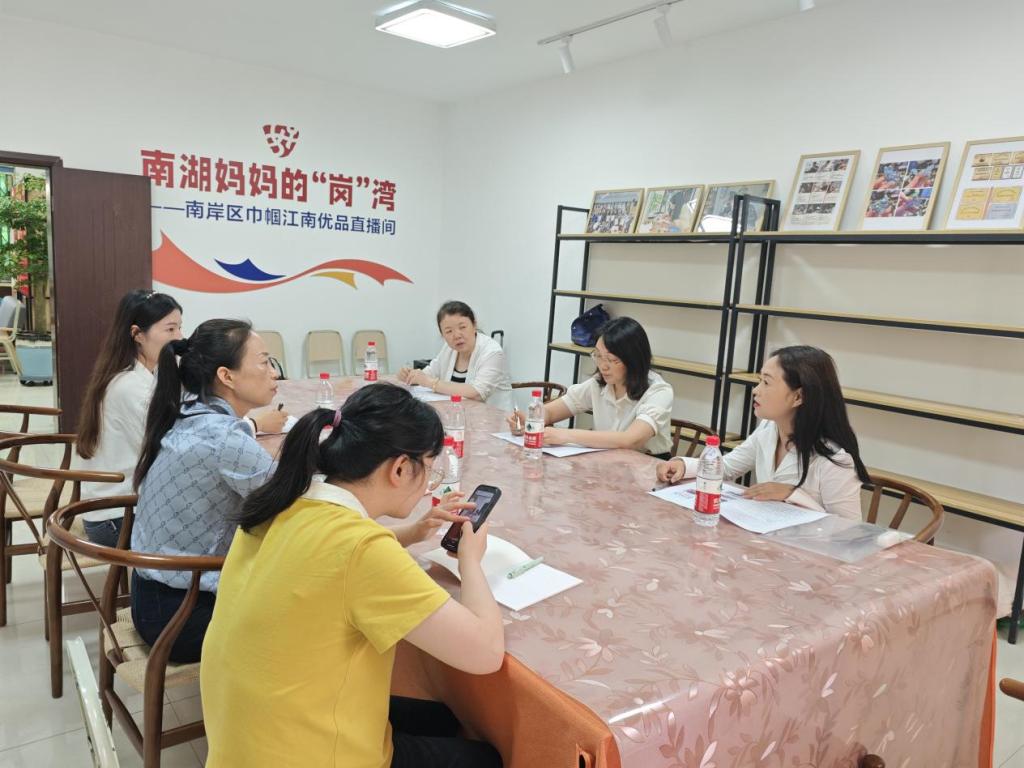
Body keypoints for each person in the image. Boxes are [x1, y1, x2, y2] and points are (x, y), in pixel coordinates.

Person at [200, 383, 504, 768]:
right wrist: (470, 561)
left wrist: (413, 532)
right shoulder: (362, 549)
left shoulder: (283, 502)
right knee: (485, 758)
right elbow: (485, 654)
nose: (429, 481)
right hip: (307, 756)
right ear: (400, 468)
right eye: (430, 468)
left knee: (440, 718)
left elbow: (330, 560)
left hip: (247, 741)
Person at [130, 320, 289, 662]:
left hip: (153, 599)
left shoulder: (189, 412)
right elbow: (291, 504)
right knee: (318, 603)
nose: (274, 373)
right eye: (264, 362)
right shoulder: (225, 437)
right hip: (182, 618)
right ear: (226, 376)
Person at [656, 345, 869, 520]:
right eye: (759, 381)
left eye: (766, 382)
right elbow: (727, 467)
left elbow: (849, 532)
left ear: (798, 397)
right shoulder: (768, 429)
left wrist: (793, 494)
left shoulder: (835, 460)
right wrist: (683, 465)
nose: (756, 390)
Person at [74, 290, 183, 547]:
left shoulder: (143, 374)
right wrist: (251, 425)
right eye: (170, 329)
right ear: (137, 334)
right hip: (117, 518)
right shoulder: (130, 387)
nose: (179, 337)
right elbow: (168, 450)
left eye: (180, 327)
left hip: (125, 507)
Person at [509, 317, 674, 457]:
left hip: (648, 467)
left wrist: (566, 435)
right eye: (598, 356)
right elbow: (552, 412)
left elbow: (631, 440)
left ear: (634, 360)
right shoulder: (598, 384)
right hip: (608, 462)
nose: (603, 366)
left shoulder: (658, 391)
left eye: (612, 360)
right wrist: (532, 419)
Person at [398, 301, 513, 411]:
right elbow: (430, 373)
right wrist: (410, 375)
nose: (457, 335)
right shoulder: (449, 349)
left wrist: (430, 382)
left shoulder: (492, 352)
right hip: (458, 414)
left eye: (462, 327)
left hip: (497, 419)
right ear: (442, 335)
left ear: (474, 325)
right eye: (449, 331)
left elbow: (477, 392)